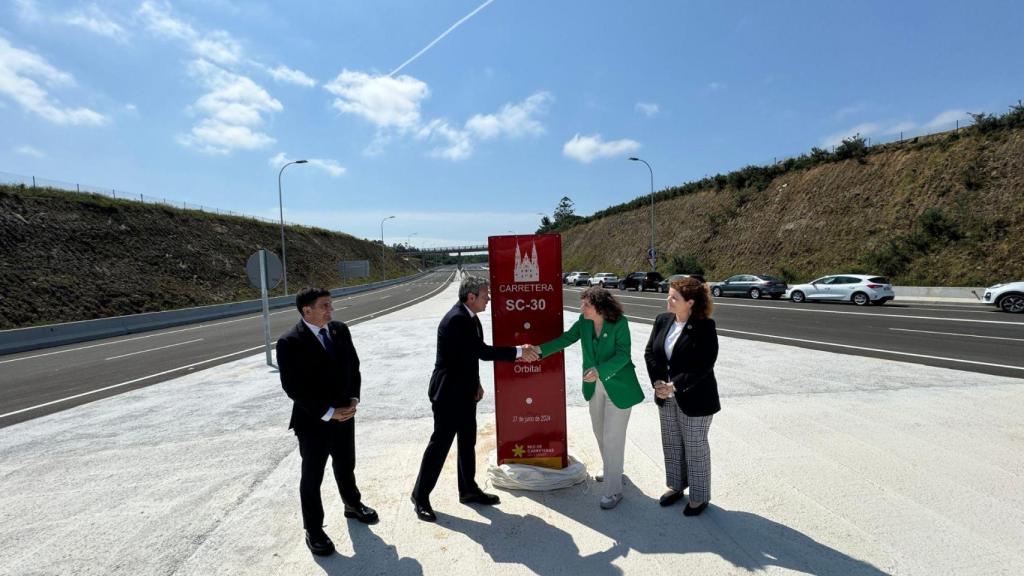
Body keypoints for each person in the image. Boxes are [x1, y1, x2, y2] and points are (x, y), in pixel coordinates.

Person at [411, 275, 538, 522]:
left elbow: (467, 356)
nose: (489, 298)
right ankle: (420, 496)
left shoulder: (471, 317)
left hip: (465, 391)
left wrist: (476, 383)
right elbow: (482, 352)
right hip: (448, 394)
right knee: (440, 446)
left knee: (467, 442)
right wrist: (520, 352)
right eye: (485, 295)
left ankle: (468, 489)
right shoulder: (457, 319)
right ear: (471, 297)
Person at [277, 287, 378, 556]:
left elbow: (353, 366)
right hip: (313, 421)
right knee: (312, 476)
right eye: (324, 306)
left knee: (346, 464)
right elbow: (293, 387)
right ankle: (314, 529)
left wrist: (354, 399)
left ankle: (352, 505)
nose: (330, 310)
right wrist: (327, 412)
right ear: (306, 310)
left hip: (345, 414)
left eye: (331, 305)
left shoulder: (339, 330)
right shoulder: (289, 342)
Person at [532, 286, 644, 509]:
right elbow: (565, 339)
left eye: (586, 305)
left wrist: (600, 371)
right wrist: (538, 350)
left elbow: (623, 355)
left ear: (600, 307)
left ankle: (614, 491)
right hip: (594, 386)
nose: (581, 307)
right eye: (582, 303)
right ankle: (613, 469)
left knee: (613, 437)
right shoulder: (583, 323)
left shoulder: (620, 323)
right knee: (599, 431)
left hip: (618, 386)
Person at [643, 276, 721, 517]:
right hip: (665, 395)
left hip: (695, 396)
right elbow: (650, 353)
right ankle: (676, 486)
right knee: (672, 444)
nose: (668, 299)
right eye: (668, 294)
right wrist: (658, 383)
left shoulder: (705, 327)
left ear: (690, 302)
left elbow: (704, 365)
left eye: (674, 297)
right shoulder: (662, 321)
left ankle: (699, 497)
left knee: (695, 448)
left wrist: (674, 385)